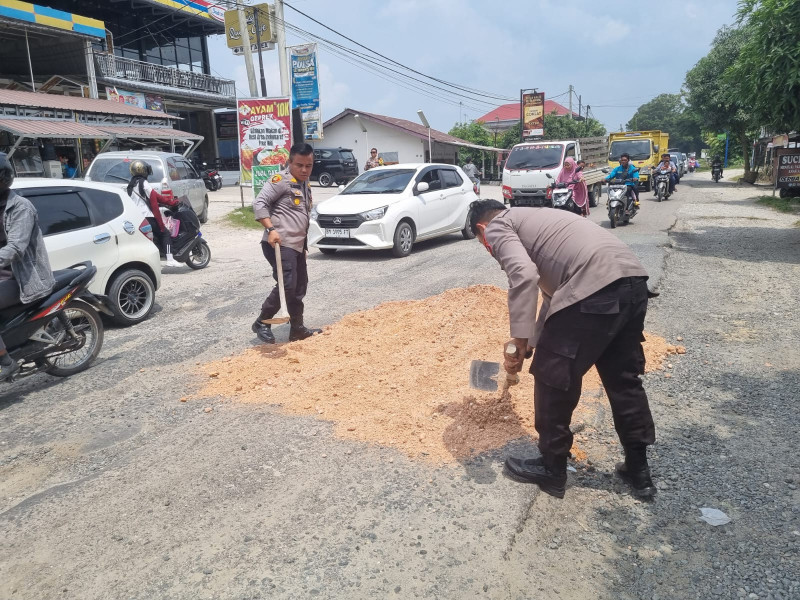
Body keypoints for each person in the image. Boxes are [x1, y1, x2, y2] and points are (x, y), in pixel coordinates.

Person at [468, 199, 657, 500]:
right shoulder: (538, 218)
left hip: (594, 287)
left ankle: (551, 467)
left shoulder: (499, 225)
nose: (490, 249)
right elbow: (553, 300)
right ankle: (639, 469)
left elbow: (524, 276)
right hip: (631, 284)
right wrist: (530, 343)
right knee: (624, 381)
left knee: (552, 377)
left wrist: (517, 340)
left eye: (485, 245)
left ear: (482, 228)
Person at [252, 143, 322, 344]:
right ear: (289, 162)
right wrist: (270, 229)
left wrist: (303, 246)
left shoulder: (304, 184)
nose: (304, 170)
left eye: (308, 166)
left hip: (297, 246)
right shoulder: (280, 181)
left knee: (300, 286)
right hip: (278, 243)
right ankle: (262, 322)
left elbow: (301, 216)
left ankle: (297, 329)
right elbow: (260, 203)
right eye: (299, 165)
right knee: (288, 284)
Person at [0, 152, 56, 381]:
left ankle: (6, 361)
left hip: (20, 279)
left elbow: (15, 247)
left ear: (3, 177)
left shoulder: (20, 207)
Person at [126, 159, 181, 267]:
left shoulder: (130, 185)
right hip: (148, 217)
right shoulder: (144, 183)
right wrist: (171, 203)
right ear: (143, 171)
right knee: (164, 233)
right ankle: (170, 259)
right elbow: (155, 199)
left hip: (137, 219)